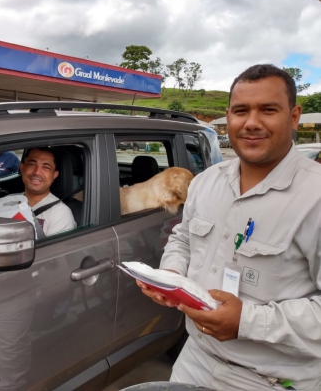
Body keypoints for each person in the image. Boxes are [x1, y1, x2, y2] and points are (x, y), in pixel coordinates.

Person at [135, 64, 321, 390]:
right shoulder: (206, 182)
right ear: (228, 116)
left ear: (293, 117)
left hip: (274, 379)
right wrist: (171, 276)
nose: (251, 123)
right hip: (196, 358)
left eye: (268, 110)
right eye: (241, 111)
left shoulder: (314, 196)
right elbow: (183, 238)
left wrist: (246, 322)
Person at [19, 147, 76, 237]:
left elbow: (53, 251)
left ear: (54, 175)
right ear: (22, 168)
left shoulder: (60, 213)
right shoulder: (6, 202)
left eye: (46, 167)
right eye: (32, 164)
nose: (37, 172)